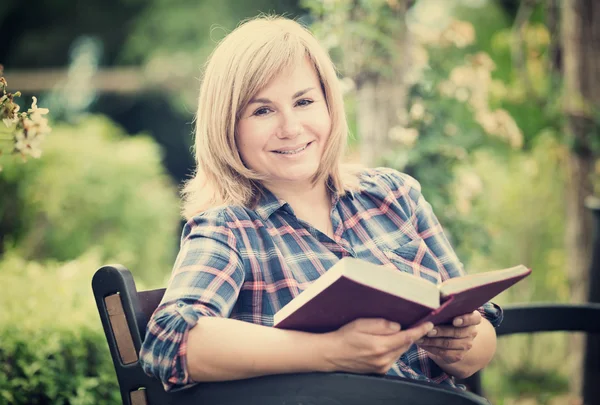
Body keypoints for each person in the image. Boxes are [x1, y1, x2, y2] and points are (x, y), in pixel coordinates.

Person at [139, 14, 503, 392]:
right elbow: (170, 342)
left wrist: (457, 343)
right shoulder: (230, 228)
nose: (291, 128)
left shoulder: (394, 195)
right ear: (228, 126)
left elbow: (479, 335)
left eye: (304, 101)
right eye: (262, 110)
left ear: (329, 105)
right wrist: (329, 351)